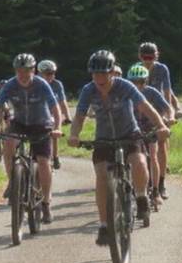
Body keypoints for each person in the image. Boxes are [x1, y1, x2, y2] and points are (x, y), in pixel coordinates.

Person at [68, 50, 170, 246]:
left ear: (112, 72)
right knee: (102, 177)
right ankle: (105, 225)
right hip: (104, 138)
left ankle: (141, 198)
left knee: (140, 161)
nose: (99, 78)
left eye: (103, 73)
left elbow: (145, 107)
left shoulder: (125, 86)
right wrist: (74, 134)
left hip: (129, 133)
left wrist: (161, 125)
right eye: (95, 74)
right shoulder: (88, 90)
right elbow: (79, 116)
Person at [0, 53, 62, 223]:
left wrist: (57, 128)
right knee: (8, 143)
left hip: (41, 124)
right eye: (19, 71)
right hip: (19, 123)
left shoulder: (41, 84)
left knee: (43, 161)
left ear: (33, 70)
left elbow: (54, 107)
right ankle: (13, 181)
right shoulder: (11, 85)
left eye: (26, 71)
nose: (23, 75)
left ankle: (46, 203)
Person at [126, 64, 174, 209]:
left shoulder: (152, 92)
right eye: (133, 82)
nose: (137, 85)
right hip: (132, 129)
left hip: (149, 128)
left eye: (140, 81)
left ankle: (155, 191)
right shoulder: (125, 92)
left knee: (153, 156)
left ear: (145, 81)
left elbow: (167, 107)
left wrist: (170, 117)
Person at [139, 42, 180, 200]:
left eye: (151, 57)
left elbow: (167, 91)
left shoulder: (162, 69)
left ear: (157, 55)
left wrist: (169, 115)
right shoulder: (137, 69)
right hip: (142, 109)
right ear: (140, 56)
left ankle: (161, 184)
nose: (148, 60)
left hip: (159, 106)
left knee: (161, 144)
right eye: (145, 57)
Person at [37, 59, 71, 170]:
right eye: (48, 73)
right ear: (39, 73)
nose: (51, 76)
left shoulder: (57, 84)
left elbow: (62, 101)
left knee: (54, 130)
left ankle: (55, 156)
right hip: (38, 114)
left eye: (53, 73)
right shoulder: (34, 84)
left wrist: (68, 116)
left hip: (52, 113)